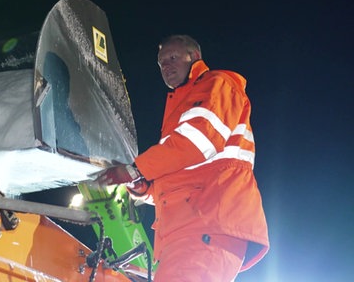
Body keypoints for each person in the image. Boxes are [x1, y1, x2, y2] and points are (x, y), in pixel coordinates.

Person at [94, 35, 269, 281]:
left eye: (173, 58)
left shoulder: (218, 84)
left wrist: (135, 170)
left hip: (207, 225)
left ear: (194, 57)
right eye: (161, 63)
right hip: (190, 230)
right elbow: (180, 182)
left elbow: (197, 142)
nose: (166, 66)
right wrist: (144, 188)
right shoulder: (181, 108)